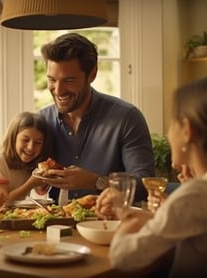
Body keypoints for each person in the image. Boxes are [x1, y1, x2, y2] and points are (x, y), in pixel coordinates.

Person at [38, 32, 155, 203]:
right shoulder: (42, 120)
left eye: (69, 80)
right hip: (52, 225)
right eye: (52, 79)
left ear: (92, 75)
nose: (58, 90)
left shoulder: (127, 118)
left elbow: (145, 185)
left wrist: (96, 181)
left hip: (109, 225)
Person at [107, 77, 207, 277]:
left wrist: (128, 220)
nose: (168, 134)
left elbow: (122, 256)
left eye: (172, 125)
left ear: (187, 130)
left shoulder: (196, 194)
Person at [0, 111, 52, 207]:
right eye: (25, 140)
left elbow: (41, 193)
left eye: (38, 142)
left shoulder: (32, 164)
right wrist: (31, 183)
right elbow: (2, 202)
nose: (30, 147)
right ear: (13, 137)